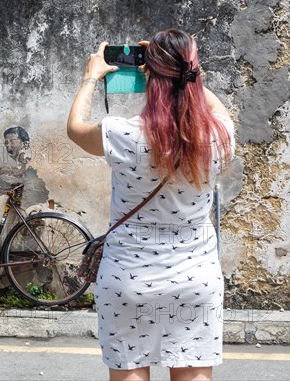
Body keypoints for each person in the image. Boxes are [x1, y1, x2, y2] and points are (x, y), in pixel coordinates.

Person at [67, 29, 235, 381]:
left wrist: (91, 78)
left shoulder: (124, 134)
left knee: (130, 371)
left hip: (130, 274)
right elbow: (212, 107)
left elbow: (75, 129)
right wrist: (184, 73)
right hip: (196, 277)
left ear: (151, 75)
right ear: (193, 71)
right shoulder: (219, 136)